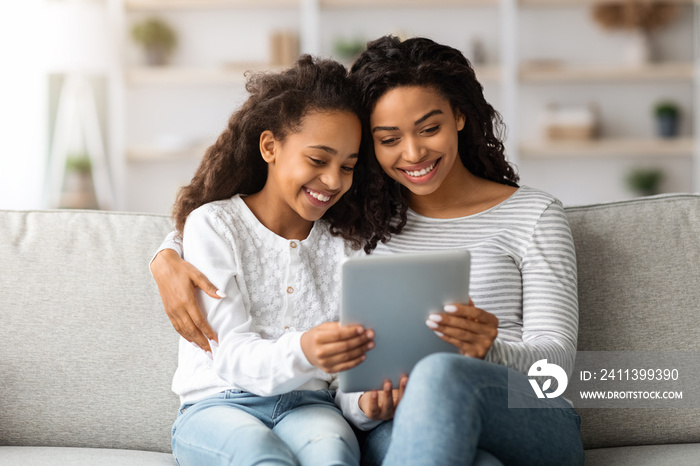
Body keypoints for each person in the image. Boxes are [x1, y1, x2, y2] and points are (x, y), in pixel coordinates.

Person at [151, 37, 584, 466]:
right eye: (388, 138)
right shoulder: (362, 224)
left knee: (440, 373)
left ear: (460, 117)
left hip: (522, 409)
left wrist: (488, 351)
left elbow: (558, 367)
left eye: (429, 128)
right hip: (398, 421)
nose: (413, 152)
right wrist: (168, 253)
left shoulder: (534, 215)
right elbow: (264, 235)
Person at [162, 55, 378, 466]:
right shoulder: (215, 224)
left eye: (347, 166)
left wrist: (368, 403)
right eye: (317, 160)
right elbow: (230, 354)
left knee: (333, 455)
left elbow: (347, 380)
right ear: (269, 146)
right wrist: (306, 349)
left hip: (310, 406)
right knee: (261, 457)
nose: (333, 181)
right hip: (218, 403)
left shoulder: (347, 245)